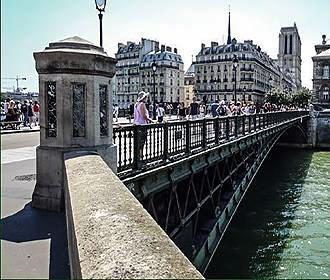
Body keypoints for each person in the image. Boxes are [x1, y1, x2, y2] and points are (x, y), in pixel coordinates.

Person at [134, 91, 154, 161]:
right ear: (144, 98)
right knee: (142, 141)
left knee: (138, 141)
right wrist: (152, 121)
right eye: (146, 97)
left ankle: (138, 157)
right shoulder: (142, 104)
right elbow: (144, 116)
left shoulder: (136, 104)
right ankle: (140, 157)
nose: (147, 98)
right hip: (142, 125)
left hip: (137, 124)